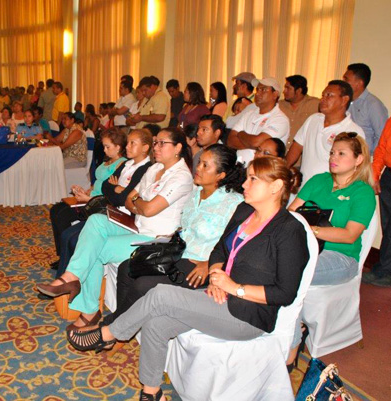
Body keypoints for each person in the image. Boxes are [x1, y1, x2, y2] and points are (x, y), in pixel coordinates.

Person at [67, 156, 308, 401]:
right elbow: (219, 251)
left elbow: (285, 293)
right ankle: (151, 393)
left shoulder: (289, 231)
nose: (245, 184)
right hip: (219, 295)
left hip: (248, 315)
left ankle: (109, 333)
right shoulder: (245, 211)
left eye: (253, 179)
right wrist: (216, 276)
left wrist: (235, 288)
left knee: (161, 294)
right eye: (247, 178)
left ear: (276, 187)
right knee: (156, 324)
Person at [37, 128, 194, 331]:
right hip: (137, 225)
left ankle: (89, 310)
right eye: (156, 143)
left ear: (178, 148)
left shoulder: (181, 177)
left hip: (156, 238)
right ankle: (71, 277)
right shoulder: (154, 169)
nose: (156, 147)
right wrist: (138, 202)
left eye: (162, 143)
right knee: (95, 221)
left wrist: (138, 202)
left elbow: (148, 207)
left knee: (94, 249)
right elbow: (130, 201)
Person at [101, 144, 245, 329]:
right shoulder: (195, 193)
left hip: (198, 264)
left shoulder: (234, 204)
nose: (197, 168)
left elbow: (236, 246)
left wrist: (210, 265)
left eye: (205, 166)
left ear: (221, 175)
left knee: (143, 284)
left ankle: (113, 328)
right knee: (127, 267)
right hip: (178, 253)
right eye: (199, 162)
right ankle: (119, 324)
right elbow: (186, 227)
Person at [288, 132, 376, 362]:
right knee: (276, 263)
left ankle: (291, 344)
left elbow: (349, 235)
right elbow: (291, 214)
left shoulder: (362, 192)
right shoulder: (319, 181)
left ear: (358, 160)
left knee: (289, 270)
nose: (333, 158)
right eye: (332, 153)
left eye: (341, 153)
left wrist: (310, 230)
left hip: (340, 258)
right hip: (305, 249)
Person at [49, 129, 129, 276]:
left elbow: (110, 192)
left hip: (98, 204)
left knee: (63, 216)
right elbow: (97, 183)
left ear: (118, 147)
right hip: (90, 197)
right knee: (56, 210)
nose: (104, 150)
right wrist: (85, 191)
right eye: (104, 146)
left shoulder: (121, 165)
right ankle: (63, 255)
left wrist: (88, 198)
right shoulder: (108, 161)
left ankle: (65, 262)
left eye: (107, 147)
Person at [362, 80, 391, 288]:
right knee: (388, 226)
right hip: (389, 176)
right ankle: (385, 269)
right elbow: (380, 150)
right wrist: (375, 175)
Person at [286, 80, 364, 185]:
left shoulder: (353, 131)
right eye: (323, 95)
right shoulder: (313, 119)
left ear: (344, 100)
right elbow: (297, 146)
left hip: (330, 192)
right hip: (305, 188)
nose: (323, 99)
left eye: (329, 95)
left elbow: (356, 168)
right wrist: (283, 169)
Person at [227, 77, 289, 165]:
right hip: (240, 168)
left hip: (263, 171)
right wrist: (253, 143)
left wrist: (241, 133)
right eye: (257, 89)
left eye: (263, 90)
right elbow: (230, 141)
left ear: (275, 94)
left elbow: (256, 142)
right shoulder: (249, 114)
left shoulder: (280, 119)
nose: (258, 93)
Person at [342, 63, 388, 152]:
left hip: (362, 157)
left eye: (346, 79)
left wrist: (367, 155)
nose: (343, 82)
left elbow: (382, 136)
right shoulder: (344, 101)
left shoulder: (373, 104)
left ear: (359, 83)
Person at [279, 75, 320, 147]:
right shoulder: (279, 105)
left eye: (288, 88)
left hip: (302, 152)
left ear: (298, 91)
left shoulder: (315, 104)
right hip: (281, 151)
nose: (284, 91)